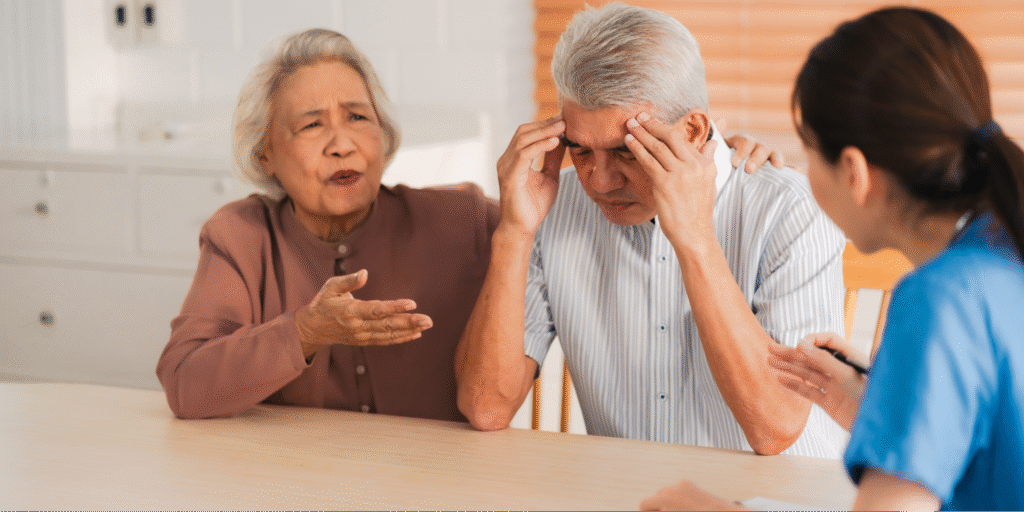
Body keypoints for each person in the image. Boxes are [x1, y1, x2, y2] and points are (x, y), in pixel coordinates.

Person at [155, 27, 774, 422]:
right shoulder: (239, 236)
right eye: (312, 124)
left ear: (386, 135)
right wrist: (304, 331)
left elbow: (558, 221)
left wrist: (720, 158)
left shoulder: (460, 217)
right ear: (266, 153)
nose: (342, 143)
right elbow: (184, 383)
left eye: (359, 118)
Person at [642, 7, 1024, 511]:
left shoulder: (940, 300)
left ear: (853, 172)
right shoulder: (1001, 249)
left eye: (807, 151)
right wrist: (878, 401)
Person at [455, 2, 846, 458]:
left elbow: (775, 427)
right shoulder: (551, 209)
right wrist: (514, 232)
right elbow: (486, 408)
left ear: (695, 130)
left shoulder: (789, 210)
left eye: (625, 152)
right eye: (580, 151)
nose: (598, 182)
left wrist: (696, 238)